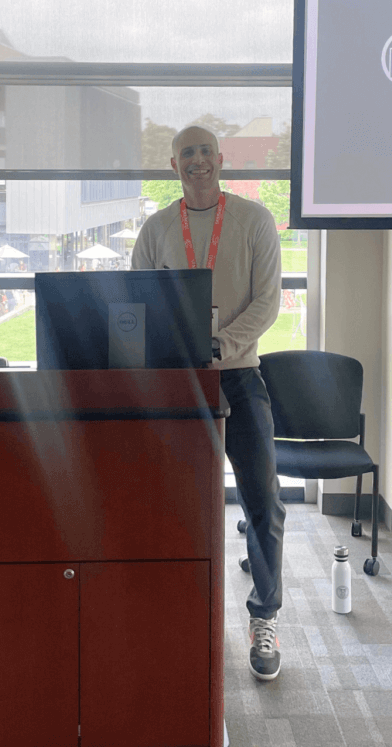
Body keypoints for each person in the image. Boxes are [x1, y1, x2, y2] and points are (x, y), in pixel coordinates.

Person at [131, 124, 286, 681]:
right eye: (186, 153)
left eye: (205, 152)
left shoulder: (253, 220)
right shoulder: (156, 228)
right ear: (173, 164)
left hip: (240, 378)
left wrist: (220, 344)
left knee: (264, 500)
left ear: (220, 160)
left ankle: (265, 616)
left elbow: (268, 302)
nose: (197, 161)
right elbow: (139, 304)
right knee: (175, 503)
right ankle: (176, 609)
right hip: (179, 384)